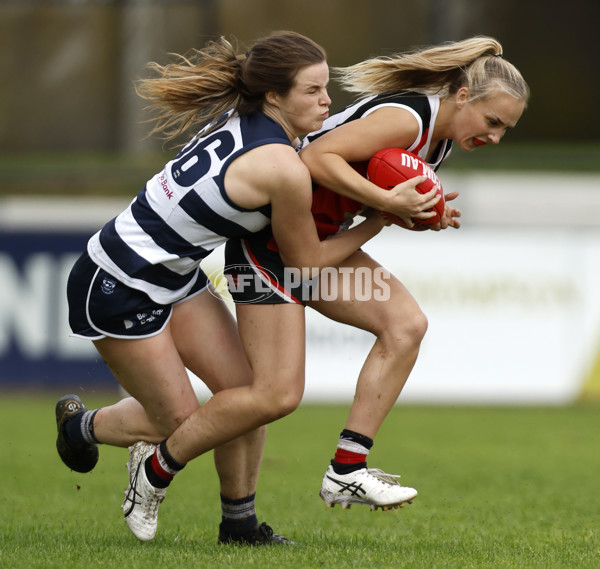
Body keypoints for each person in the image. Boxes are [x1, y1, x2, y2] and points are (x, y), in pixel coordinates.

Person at [55, 31, 415, 545]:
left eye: (324, 88)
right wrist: (381, 217)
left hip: (175, 278)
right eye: (312, 91)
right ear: (274, 97)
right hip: (116, 282)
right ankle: (82, 430)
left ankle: (240, 525)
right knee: (177, 423)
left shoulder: (248, 124)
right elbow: (307, 261)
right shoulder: (280, 166)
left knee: (246, 397)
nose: (327, 101)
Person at [224, 35, 529, 510]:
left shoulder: (439, 141)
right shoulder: (408, 120)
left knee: (406, 325)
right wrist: (389, 203)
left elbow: (367, 190)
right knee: (265, 396)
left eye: (505, 129)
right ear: (463, 96)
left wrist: (422, 213)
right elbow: (313, 158)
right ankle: (147, 445)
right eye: (492, 121)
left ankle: (346, 471)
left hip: (318, 243)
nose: (495, 137)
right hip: (271, 244)